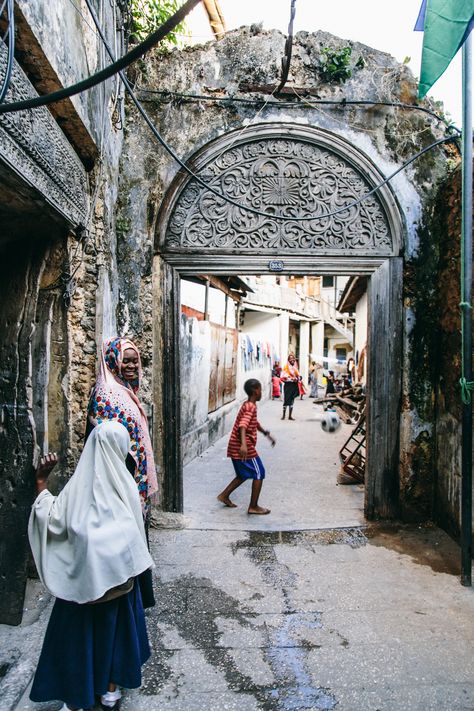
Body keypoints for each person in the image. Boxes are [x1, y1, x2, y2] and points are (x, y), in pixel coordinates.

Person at [28, 421, 153, 711]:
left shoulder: (76, 489)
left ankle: (79, 694)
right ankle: (111, 689)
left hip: (81, 587)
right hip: (120, 586)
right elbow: (135, 535)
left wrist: (41, 485)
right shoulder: (127, 489)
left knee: (79, 638)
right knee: (116, 634)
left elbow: (51, 517)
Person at [87, 337, 158, 608]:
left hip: (132, 477)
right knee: (123, 535)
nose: (131, 365)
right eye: (125, 360)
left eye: (134, 360)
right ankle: (122, 599)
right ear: (112, 360)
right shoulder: (106, 393)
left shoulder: (125, 389)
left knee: (134, 533)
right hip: (117, 477)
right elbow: (103, 441)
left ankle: (137, 597)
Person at [217, 378, 275, 514]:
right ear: (255, 391)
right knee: (259, 472)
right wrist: (244, 445)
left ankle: (224, 496)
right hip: (243, 447)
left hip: (234, 445)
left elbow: (253, 423)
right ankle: (253, 506)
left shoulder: (247, 405)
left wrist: (265, 433)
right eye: (260, 389)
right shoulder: (251, 407)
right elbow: (243, 425)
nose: (262, 392)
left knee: (242, 475)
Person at [280, 353, 300, 420]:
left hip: (294, 385)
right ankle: (283, 415)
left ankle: (290, 416)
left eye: (293, 358)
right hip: (288, 385)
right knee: (286, 399)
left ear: (294, 360)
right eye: (290, 358)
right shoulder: (285, 367)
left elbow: (299, 377)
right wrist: (289, 378)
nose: (292, 359)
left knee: (292, 400)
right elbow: (282, 376)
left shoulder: (295, 368)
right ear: (288, 360)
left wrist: (296, 379)